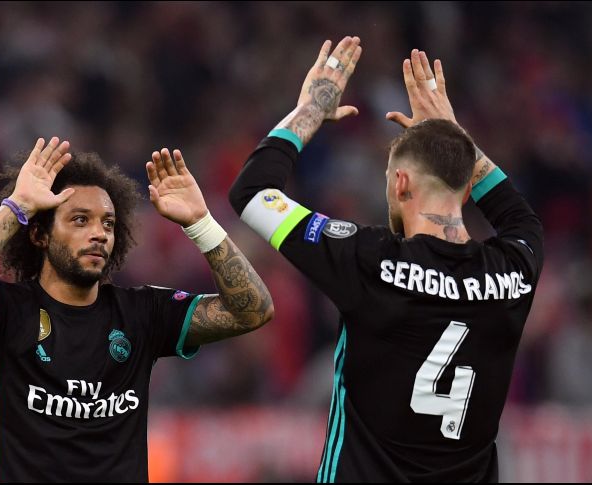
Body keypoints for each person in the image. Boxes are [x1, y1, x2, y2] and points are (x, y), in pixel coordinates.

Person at [229, 36, 544, 482]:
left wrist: (310, 111)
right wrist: (454, 139)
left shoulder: (368, 258)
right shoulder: (513, 271)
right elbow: (519, 217)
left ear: (400, 183)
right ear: (466, 182)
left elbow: (253, 193)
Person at [0, 138, 274, 482]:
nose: (99, 234)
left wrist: (201, 223)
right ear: (39, 236)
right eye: (80, 220)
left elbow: (252, 310)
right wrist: (16, 206)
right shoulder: (6, 312)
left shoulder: (141, 314)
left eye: (108, 224)